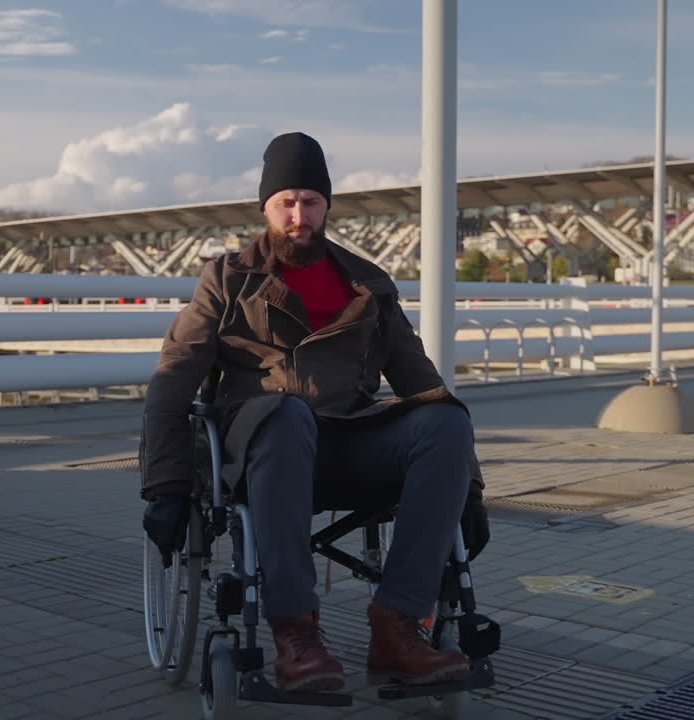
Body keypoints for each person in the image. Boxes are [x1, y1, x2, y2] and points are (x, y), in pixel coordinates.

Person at [140, 132, 490, 693]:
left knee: (445, 418)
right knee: (285, 415)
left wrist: (468, 486)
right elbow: (172, 381)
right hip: (260, 440)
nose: (298, 215)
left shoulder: (368, 284)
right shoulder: (227, 278)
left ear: (327, 205)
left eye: (310, 200)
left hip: (348, 440)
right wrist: (165, 485)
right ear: (266, 208)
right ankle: (295, 631)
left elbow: (420, 380)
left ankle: (398, 626)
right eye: (286, 202)